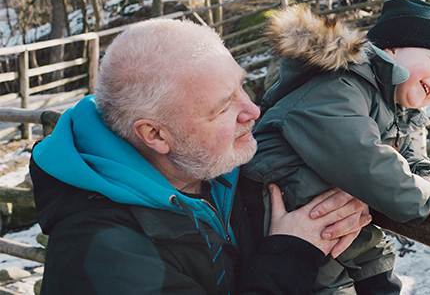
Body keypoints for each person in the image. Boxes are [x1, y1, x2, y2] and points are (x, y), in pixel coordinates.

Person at [29, 19, 371, 295]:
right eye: (224, 106)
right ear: (156, 135)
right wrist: (291, 254)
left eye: (242, 86)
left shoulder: (209, 164)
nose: (252, 110)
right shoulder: (104, 258)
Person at [242, 0, 430, 295]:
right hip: (284, 206)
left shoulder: (395, 112)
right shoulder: (342, 83)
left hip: (333, 213)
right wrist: (421, 196)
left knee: (378, 271)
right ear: (391, 50)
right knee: (330, 282)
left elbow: (408, 154)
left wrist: (429, 178)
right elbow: (359, 156)